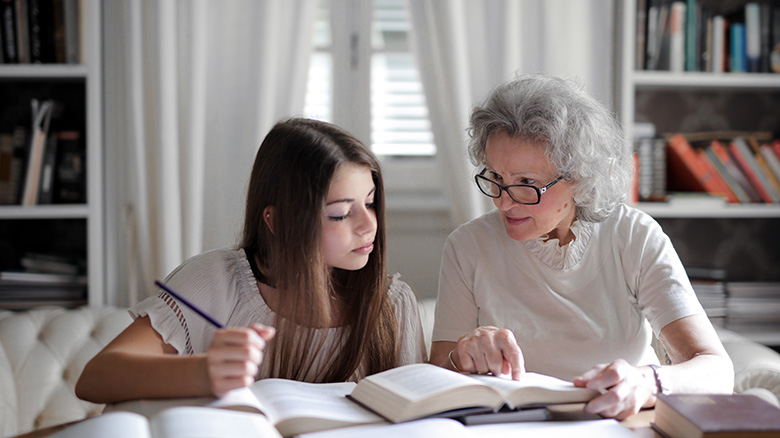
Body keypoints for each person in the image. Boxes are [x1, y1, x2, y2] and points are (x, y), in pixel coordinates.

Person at [429, 74, 734, 419]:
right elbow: (435, 375)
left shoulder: (632, 237)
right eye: (496, 178)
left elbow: (716, 369)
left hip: (621, 424)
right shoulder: (468, 246)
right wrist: (462, 357)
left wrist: (646, 382)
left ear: (578, 177)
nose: (503, 203)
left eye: (526, 184)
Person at [76, 118, 427, 403]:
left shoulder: (393, 305)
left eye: (369, 202)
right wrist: (204, 371)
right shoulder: (216, 281)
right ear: (277, 221)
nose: (369, 225)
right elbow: (96, 378)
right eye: (340, 213)